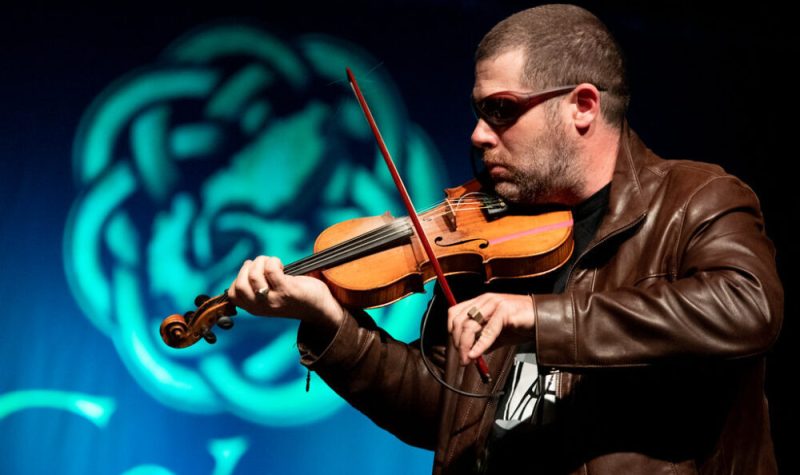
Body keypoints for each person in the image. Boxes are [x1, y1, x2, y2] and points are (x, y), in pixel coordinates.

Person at [227, 4, 783, 474]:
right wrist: (333, 323)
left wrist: (542, 317)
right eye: (479, 112)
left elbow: (747, 307)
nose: (477, 134)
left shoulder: (694, 199)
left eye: (502, 111)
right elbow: (444, 414)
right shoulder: (492, 241)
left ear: (582, 107)